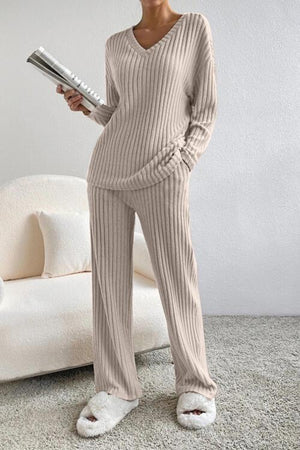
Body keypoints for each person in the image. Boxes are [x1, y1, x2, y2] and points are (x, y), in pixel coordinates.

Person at [57, 0, 218, 438]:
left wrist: (184, 160)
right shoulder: (115, 44)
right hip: (107, 172)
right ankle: (117, 388)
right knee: (108, 282)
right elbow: (118, 113)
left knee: (176, 276)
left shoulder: (194, 29)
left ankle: (195, 383)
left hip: (164, 171)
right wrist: (85, 105)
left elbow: (204, 110)